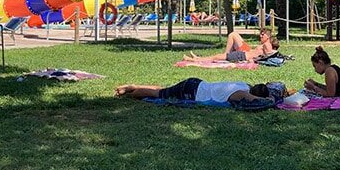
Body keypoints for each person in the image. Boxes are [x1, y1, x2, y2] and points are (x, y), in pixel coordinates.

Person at [114, 77, 277, 107]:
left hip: (197, 84)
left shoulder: (244, 85)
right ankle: (132, 93)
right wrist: (271, 99)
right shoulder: (242, 94)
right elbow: (258, 101)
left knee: (163, 90)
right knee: (159, 94)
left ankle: (134, 85)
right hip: (192, 92)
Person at [181, 27, 277, 64]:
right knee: (232, 35)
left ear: (268, 36)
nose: (260, 36)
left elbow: (269, 55)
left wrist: (253, 60)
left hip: (242, 55)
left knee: (216, 57)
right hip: (244, 54)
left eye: (263, 35)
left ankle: (194, 60)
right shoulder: (265, 44)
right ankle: (197, 58)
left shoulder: (267, 44)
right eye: (260, 34)